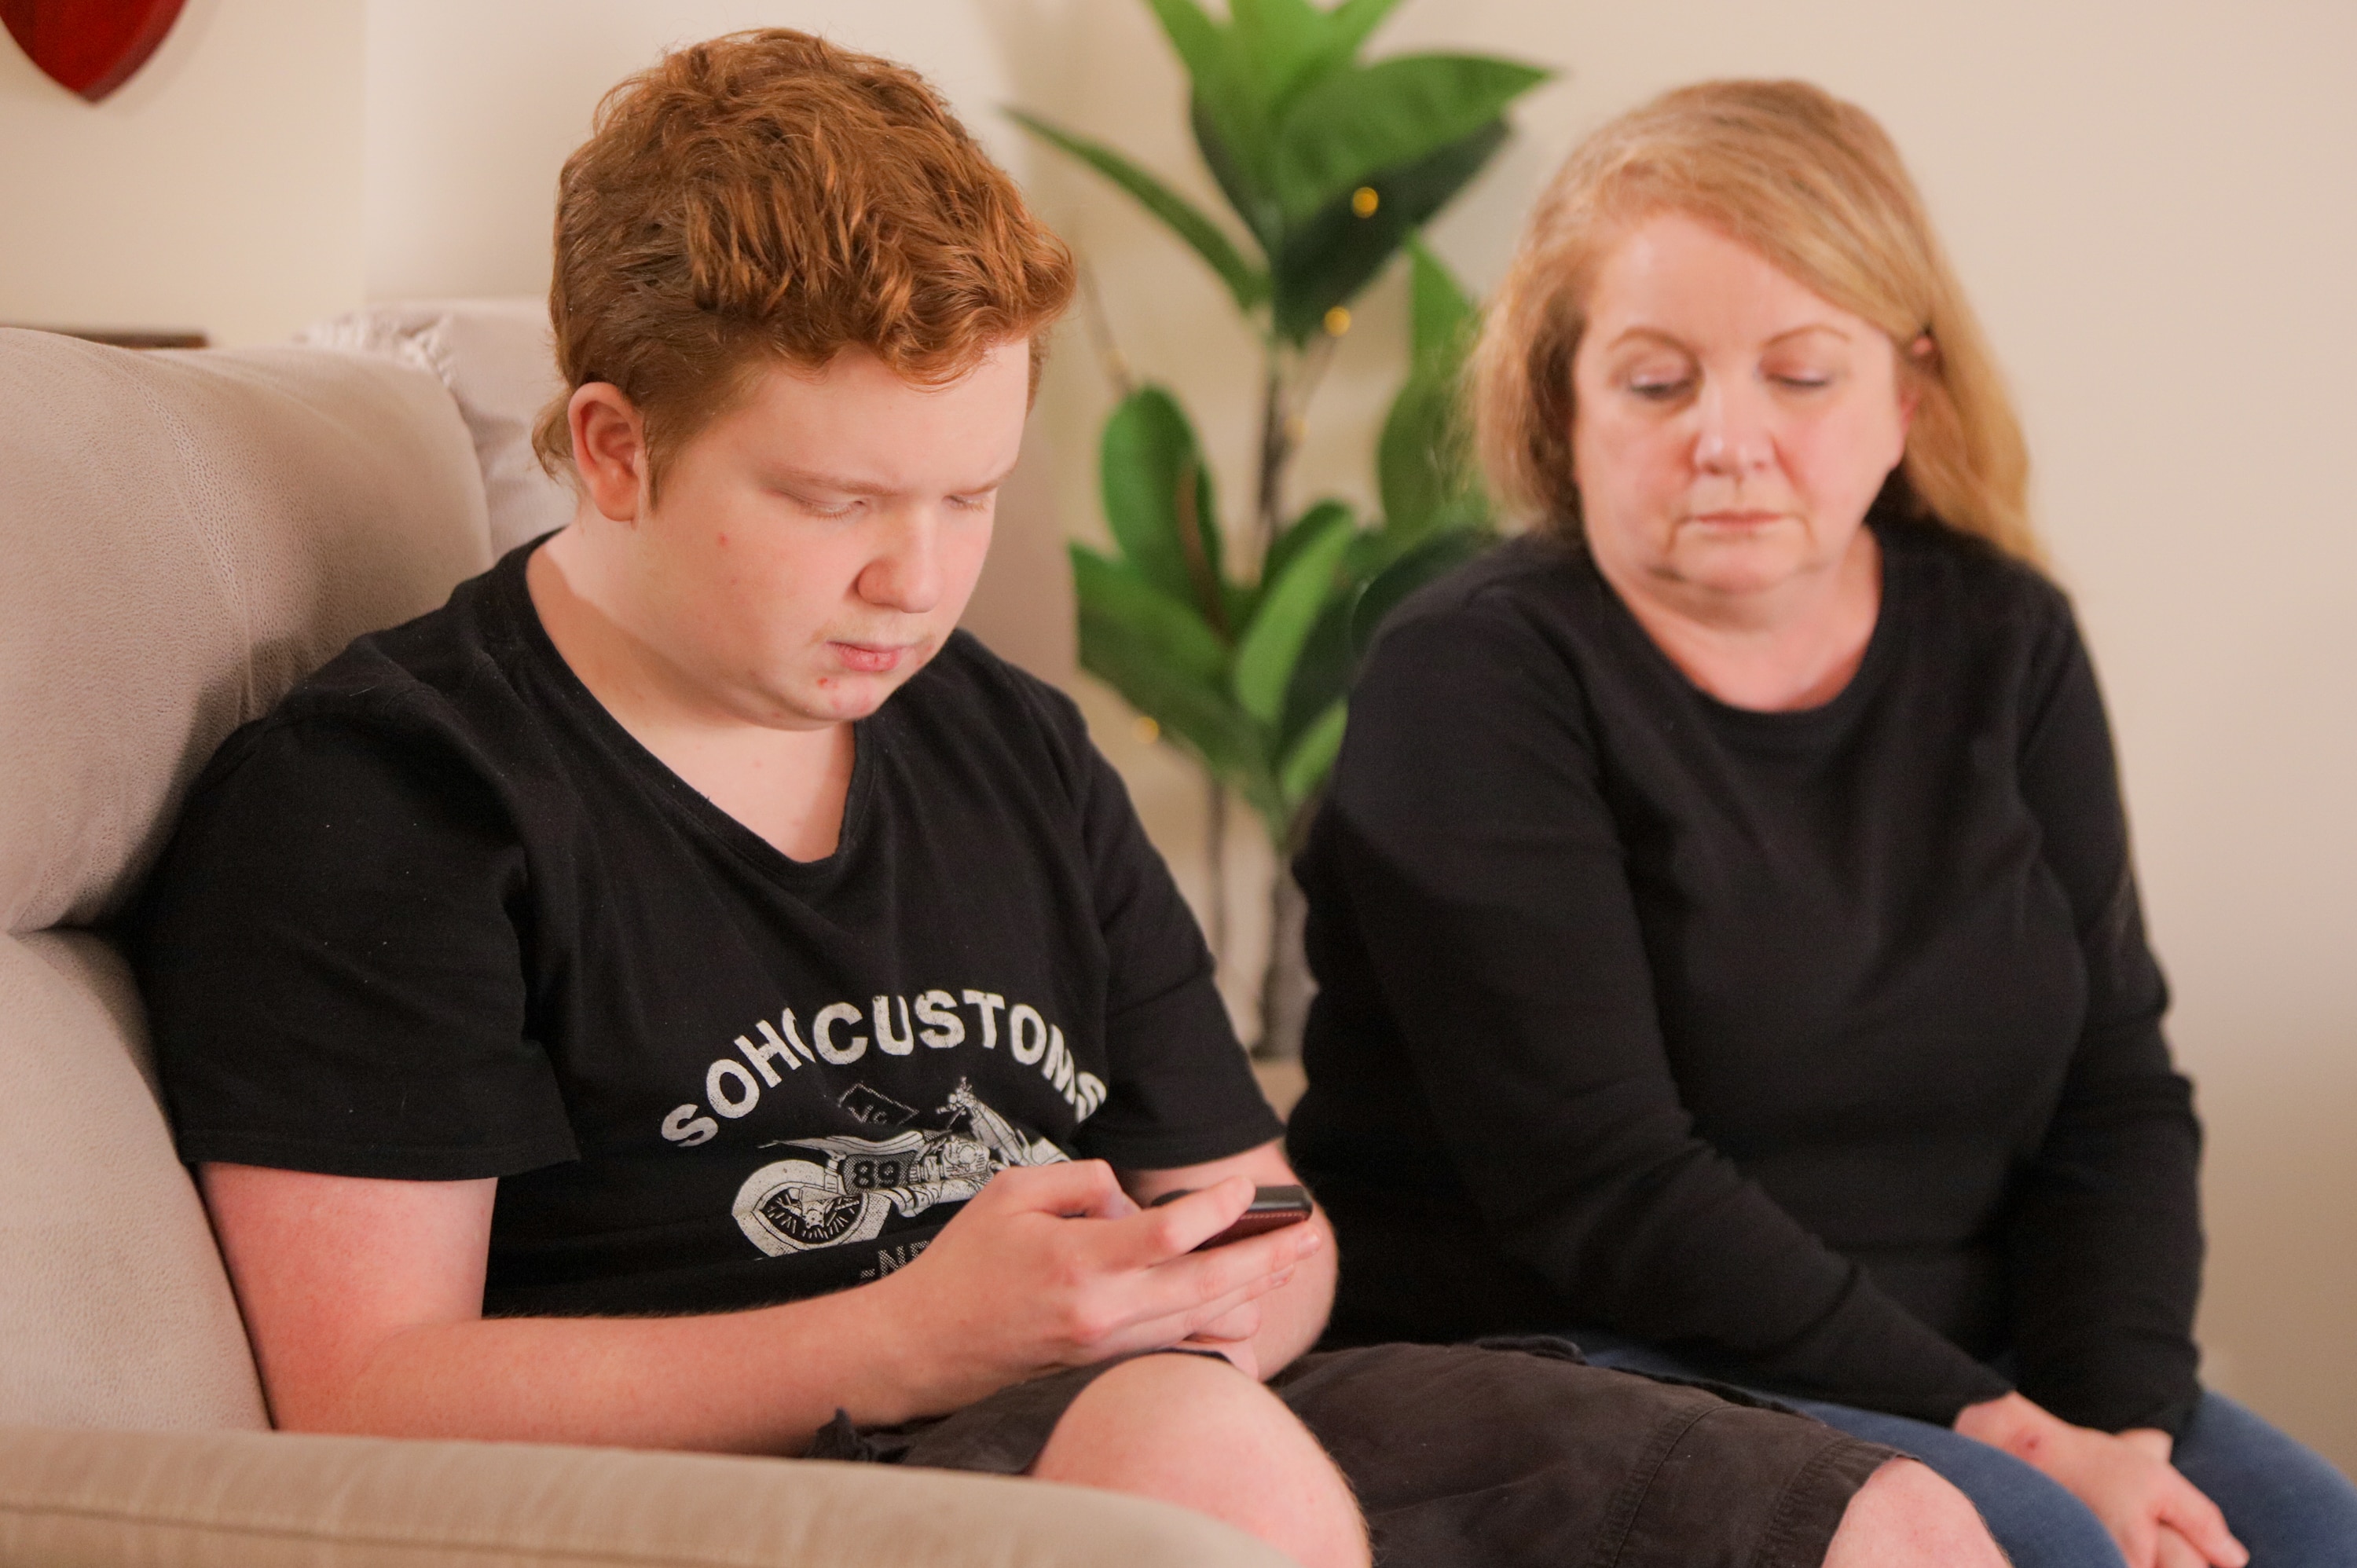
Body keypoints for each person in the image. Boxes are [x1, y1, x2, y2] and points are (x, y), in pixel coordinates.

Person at [126, 35, 2004, 1568]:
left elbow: (1269, 1220)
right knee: (1198, 1455)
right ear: (615, 445)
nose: (916, 582)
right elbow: (362, 1389)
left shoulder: (1005, 741)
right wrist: (915, 1335)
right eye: (840, 502)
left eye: (971, 497)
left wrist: (1201, 1299)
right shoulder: (395, 798)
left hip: (1161, 1414)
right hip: (772, 1491)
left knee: (1886, 1519)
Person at [1286, 76, 2357, 1568]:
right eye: (1658, 384)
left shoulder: (2007, 639)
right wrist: (2026, 1449)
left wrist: (2121, 1428)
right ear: (1562, 402)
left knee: (2314, 1537)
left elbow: (2113, 1092)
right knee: (2046, 1541)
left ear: (1906, 395)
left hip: (1975, 1362)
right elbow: (1604, 1186)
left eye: (1801, 375)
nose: (1730, 440)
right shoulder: (1468, 676)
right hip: (1579, 1342)